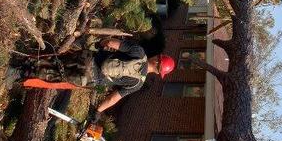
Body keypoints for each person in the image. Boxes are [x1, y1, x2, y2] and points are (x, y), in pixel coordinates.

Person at [19, 37, 175, 113]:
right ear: (158, 72)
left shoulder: (139, 53)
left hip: (87, 58)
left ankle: (25, 58)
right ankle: (21, 72)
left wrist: (101, 43)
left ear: (157, 59)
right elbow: (112, 99)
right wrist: (96, 113)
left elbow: (110, 43)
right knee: (53, 75)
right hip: (89, 79)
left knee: (56, 59)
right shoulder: (137, 84)